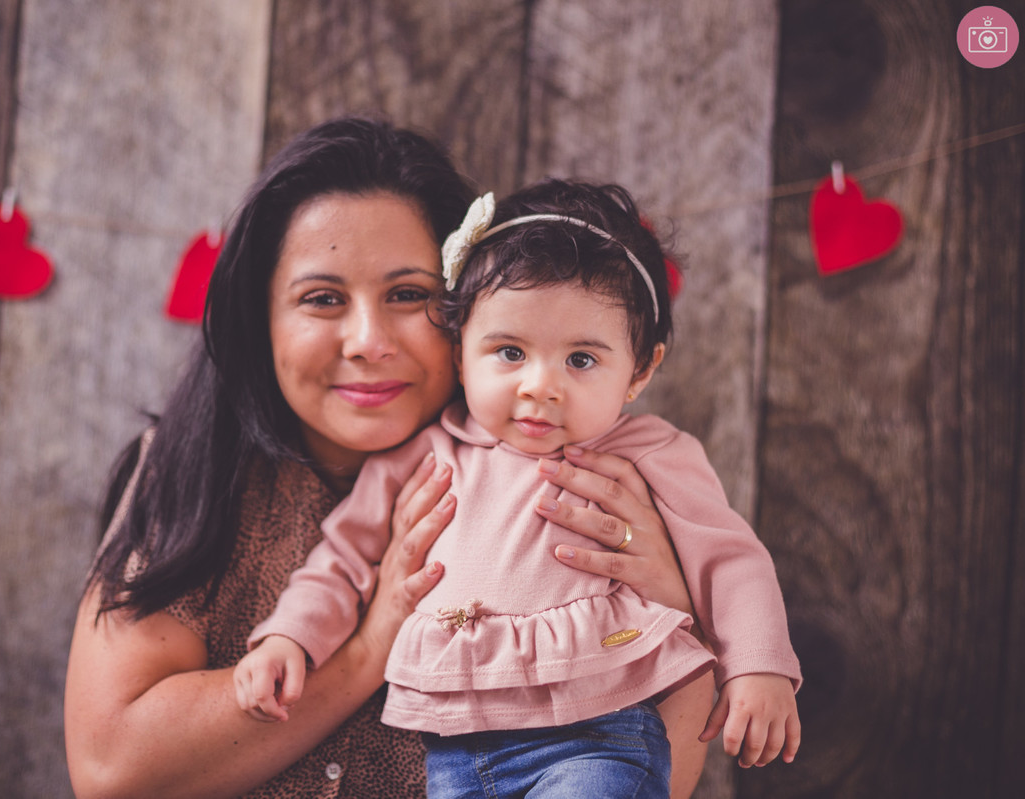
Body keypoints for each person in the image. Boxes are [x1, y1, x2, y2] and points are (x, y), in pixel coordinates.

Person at [64, 118, 714, 799]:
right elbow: (115, 769)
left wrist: (673, 598)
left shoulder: (586, 475)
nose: (368, 340)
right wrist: (369, 649)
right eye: (322, 299)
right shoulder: (193, 467)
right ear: (263, 318)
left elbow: (658, 770)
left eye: (409, 295)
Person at [234, 179, 802, 798]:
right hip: (456, 751)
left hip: (598, 731)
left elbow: (732, 560)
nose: (540, 385)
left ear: (640, 370)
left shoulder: (650, 455)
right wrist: (289, 636)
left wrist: (759, 664)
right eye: (509, 351)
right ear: (459, 354)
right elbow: (341, 560)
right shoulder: (425, 454)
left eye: (581, 360)